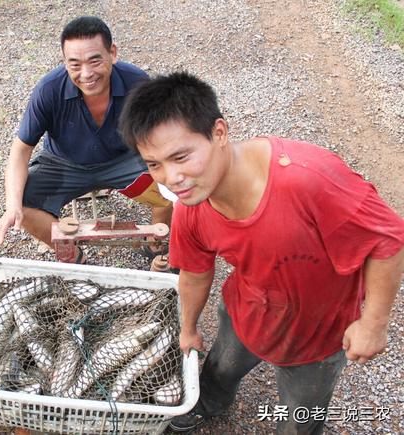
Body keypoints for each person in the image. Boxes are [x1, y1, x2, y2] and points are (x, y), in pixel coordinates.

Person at [119, 72, 404, 433]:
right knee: (221, 368)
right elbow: (194, 272)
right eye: (154, 164)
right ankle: (209, 403)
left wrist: (373, 324)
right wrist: (188, 328)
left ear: (219, 133)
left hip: (318, 332)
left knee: (301, 416)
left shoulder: (308, 179)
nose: (171, 178)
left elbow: (388, 239)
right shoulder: (191, 208)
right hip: (247, 312)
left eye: (181, 156)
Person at [0, 16, 173, 263]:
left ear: (113, 53)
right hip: (64, 163)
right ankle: (73, 256)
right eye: (74, 64)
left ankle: (155, 245)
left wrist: (167, 171)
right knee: (22, 206)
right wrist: (11, 204)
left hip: (123, 160)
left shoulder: (137, 83)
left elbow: (160, 134)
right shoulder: (48, 90)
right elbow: (20, 150)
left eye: (95, 60)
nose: (86, 74)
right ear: (64, 61)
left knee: (171, 188)